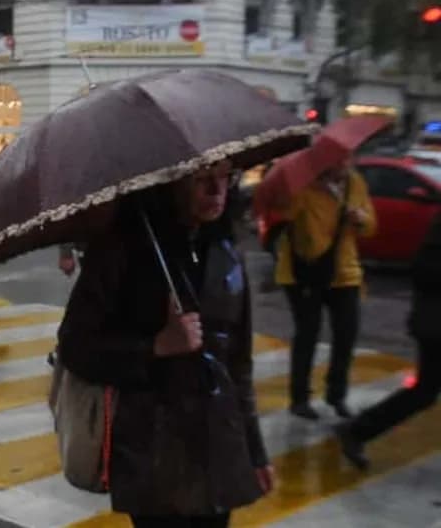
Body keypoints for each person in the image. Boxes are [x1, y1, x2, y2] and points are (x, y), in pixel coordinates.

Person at [58, 162, 274, 527]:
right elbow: (75, 346)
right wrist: (155, 347)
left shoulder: (226, 250)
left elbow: (239, 361)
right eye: (202, 179)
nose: (216, 191)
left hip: (218, 447)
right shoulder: (122, 248)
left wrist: (254, 450)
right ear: (172, 182)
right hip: (153, 455)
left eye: (225, 178)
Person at [336, 209, 441, 469]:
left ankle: (358, 430)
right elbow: (425, 269)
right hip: (435, 324)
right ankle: (357, 430)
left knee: (425, 391)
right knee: (425, 391)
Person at [274, 158, 375, 420]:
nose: (344, 166)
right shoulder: (303, 187)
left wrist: (360, 218)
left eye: (347, 159)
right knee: (307, 334)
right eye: (340, 161)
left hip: (345, 274)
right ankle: (299, 399)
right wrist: (306, 188)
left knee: (346, 335)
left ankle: (336, 395)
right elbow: (284, 216)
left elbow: (370, 226)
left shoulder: (354, 184)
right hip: (304, 275)